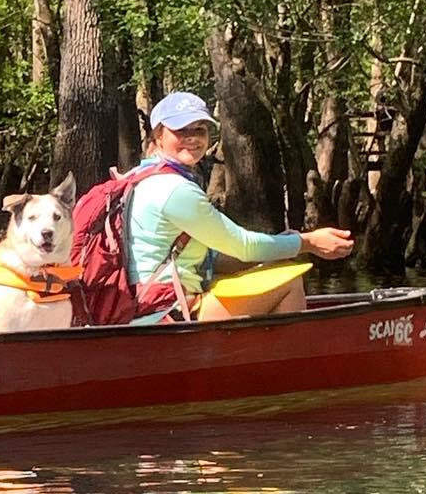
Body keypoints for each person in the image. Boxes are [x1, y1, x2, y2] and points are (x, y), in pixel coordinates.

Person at [127, 90, 353, 321]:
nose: (192, 137)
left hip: (143, 309)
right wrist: (309, 243)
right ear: (158, 135)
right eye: (181, 129)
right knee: (290, 280)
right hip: (165, 313)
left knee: (276, 265)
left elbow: (214, 258)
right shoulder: (174, 189)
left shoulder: (139, 177)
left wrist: (277, 249)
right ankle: (280, 358)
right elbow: (243, 245)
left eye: (200, 129)